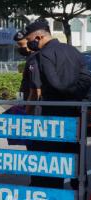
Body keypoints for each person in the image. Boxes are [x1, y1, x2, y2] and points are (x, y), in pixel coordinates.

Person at [25, 20, 91, 190]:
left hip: (52, 116)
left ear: (39, 37)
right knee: (76, 156)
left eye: (30, 39)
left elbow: (48, 85)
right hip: (76, 112)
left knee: (53, 160)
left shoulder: (42, 55)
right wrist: (76, 94)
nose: (29, 43)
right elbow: (86, 78)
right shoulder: (74, 51)